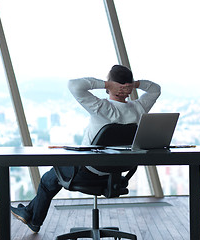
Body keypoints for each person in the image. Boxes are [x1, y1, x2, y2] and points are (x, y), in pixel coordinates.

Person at [10, 65, 161, 233]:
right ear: (128, 87)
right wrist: (136, 84)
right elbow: (156, 89)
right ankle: (30, 215)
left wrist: (105, 84)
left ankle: (33, 219)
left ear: (112, 85)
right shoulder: (139, 109)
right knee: (53, 178)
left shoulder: (102, 108)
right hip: (116, 174)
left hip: (88, 171)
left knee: (48, 180)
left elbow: (74, 85)